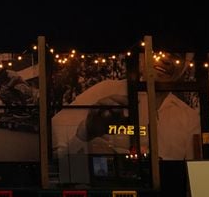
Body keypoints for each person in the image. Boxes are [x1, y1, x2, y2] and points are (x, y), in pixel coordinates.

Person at [53, 54, 201, 160]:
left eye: (177, 55)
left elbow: (194, 175)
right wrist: (85, 132)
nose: (166, 59)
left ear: (186, 65)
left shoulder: (189, 118)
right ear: (142, 55)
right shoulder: (105, 91)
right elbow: (55, 147)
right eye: (158, 50)